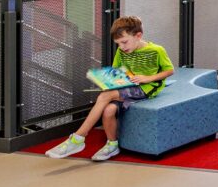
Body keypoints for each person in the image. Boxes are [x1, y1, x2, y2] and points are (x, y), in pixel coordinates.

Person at [45, 15, 174, 161]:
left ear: (138, 36)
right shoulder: (122, 52)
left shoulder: (157, 50)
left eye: (124, 42)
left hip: (146, 88)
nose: (122, 47)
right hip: (128, 86)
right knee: (108, 110)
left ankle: (78, 138)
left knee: (104, 96)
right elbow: (116, 71)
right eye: (118, 44)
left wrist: (147, 78)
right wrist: (108, 81)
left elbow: (169, 71)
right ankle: (112, 145)